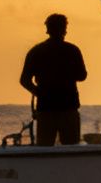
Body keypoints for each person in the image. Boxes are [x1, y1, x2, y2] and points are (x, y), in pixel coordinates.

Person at [19, 13, 88, 146]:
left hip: (46, 108)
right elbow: (82, 76)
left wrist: (39, 93)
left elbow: (24, 80)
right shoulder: (72, 50)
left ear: (48, 29)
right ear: (64, 30)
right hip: (68, 107)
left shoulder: (36, 51)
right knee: (71, 149)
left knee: (44, 150)